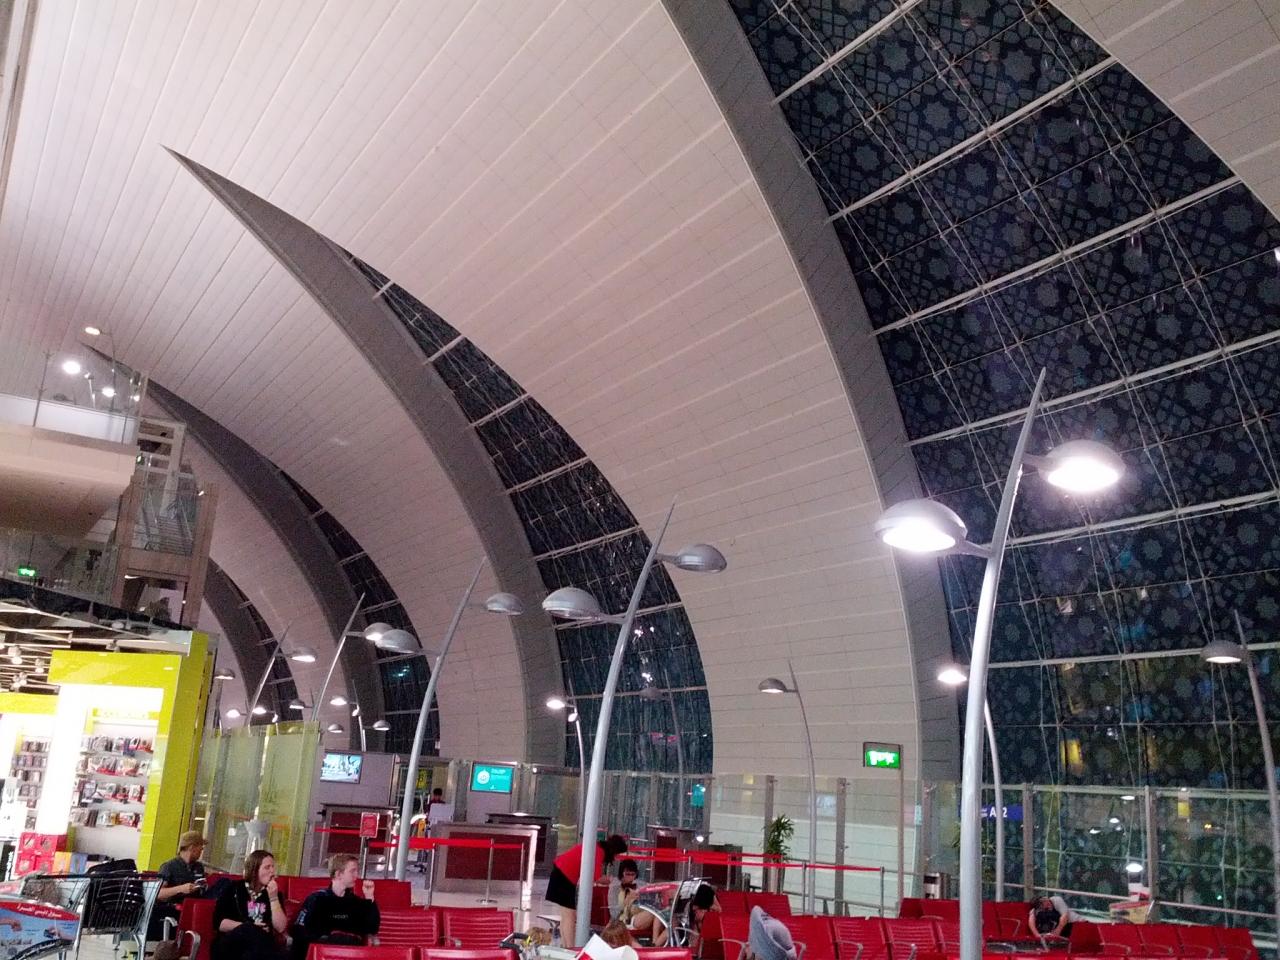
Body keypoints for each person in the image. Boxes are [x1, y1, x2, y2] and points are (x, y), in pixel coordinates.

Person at [289, 854, 380, 960]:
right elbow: (299, 930)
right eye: (352, 871)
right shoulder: (317, 899)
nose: (356, 875)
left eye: (357, 871)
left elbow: (372, 928)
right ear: (338, 874)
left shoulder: (355, 902)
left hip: (350, 955)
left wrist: (369, 896)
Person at [546, 834, 629, 947]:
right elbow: (597, 877)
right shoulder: (598, 852)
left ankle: (566, 946)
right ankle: (571, 948)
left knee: (566, 915)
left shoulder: (596, 847)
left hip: (561, 871)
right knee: (570, 916)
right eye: (616, 854)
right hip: (565, 876)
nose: (615, 858)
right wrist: (612, 880)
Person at [212, 849, 287, 960]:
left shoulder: (274, 894)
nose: (272, 871)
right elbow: (219, 923)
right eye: (267, 867)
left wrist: (274, 898)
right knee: (250, 931)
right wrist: (249, 927)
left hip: (260, 948)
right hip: (232, 944)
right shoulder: (233, 888)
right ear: (254, 870)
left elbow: (280, 928)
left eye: (273, 867)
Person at [151, 831, 207, 936]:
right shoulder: (169, 867)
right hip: (174, 910)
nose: (201, 851)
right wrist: (181, 889)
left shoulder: (199, 867)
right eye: (201, 847)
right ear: (192, 847)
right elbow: (158, 893)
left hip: (195, 909)